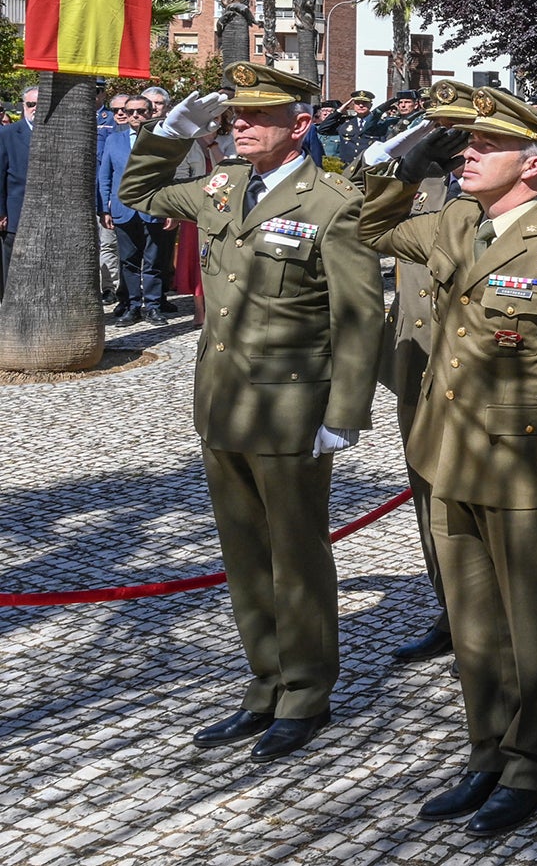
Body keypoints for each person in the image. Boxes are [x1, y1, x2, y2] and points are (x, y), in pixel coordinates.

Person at [357, 89, 537, 836]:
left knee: (534, 626)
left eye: (486, 144)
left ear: (533, 163)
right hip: (451, 457)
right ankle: (486, 750)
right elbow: (366, 226)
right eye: (464, 143)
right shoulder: (453, 220)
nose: (467, 153)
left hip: (528, 466)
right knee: (473, 625)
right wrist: (403, 165)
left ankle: (533, 762)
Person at [118, 64, 384, 761]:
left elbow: (359, 313)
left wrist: (345, 411)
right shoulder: (221, 186)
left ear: (299, 126)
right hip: (222, 404)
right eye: (235, 114)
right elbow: (136, 191)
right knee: (244, 557)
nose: (240, 124)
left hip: (292, 408)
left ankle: (305, 692)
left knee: (295, 556)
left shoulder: (331, 201)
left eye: (258, 115)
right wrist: (170, 132)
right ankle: (263, 682)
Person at [375, 80, 480, 666]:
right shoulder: (415, 184)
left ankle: (498, 608)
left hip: (487, 372)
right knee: (428, 496)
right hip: (418, 360)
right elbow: (361, 222)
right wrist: (405, 169)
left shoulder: (505, 183)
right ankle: (449, 607)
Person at [99, 91, 171, 325]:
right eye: (131, 112)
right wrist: (105, 209)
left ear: (151, 113)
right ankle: (131, 305)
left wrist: (172, 209)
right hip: (123, 209)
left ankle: (153, 306)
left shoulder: (162, 140)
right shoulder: (113, 140)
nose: (136, 116)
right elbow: (105, 176)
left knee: (154, 261)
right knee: (128, 261)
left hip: (154, 208)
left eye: (141, 111)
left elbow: (170, 177)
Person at [0, 84, 34, 291]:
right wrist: (1, 212)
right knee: (11, 263)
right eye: (31, 104)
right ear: (23, 105)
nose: (36, 108)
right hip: (15, 212)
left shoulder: (59, 133)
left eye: (41, 103)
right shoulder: (8, 134)